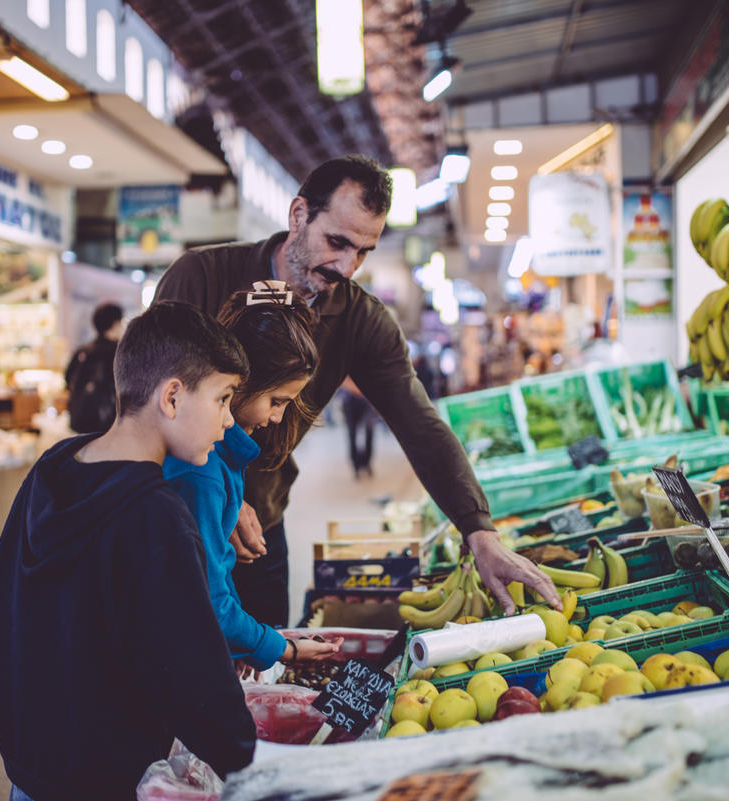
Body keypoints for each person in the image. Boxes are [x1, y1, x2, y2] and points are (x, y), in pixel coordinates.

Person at [156, 154, 560, 627]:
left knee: (262, 677)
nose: (348, 267)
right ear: (298, 215)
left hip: (260, 529)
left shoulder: (360, 320)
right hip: (176, 519)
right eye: (337, 242)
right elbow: (148, 401)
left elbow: (419, 423)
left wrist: (479, 531)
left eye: (364, 251)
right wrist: (223, 492)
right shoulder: (201, 278)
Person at [0, 302, 256, 801]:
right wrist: (250, 760)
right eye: (223, 399)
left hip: (30, 770)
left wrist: (13, 695)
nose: (228, 422)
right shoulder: (157, 517)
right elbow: (195, 676)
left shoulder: (52, 469)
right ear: (171, 396)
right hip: (110, 778)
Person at [165, 282, 342, 676]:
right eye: (276, 401)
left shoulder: (221, 461)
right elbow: (207, 602)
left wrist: (247, 641)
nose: (278, 417)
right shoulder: (202, 471)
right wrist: (282, 649)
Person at [65, 302, 124, 433]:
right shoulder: (119, 353)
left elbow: (67, 379)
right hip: (107, 425)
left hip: (79, 421)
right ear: (115, 324)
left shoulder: (83, 352)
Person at [339, 377, 376, 479]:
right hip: (350, 400)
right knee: (352, 434)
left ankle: (367, 462)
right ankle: (356, 466)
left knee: (369, 431)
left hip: (366, 400)